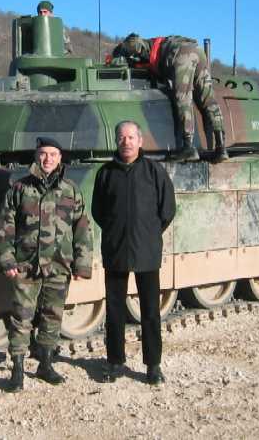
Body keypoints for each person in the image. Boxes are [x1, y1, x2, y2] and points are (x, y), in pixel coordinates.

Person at [0, 136, 93, 392]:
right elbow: (5, 226)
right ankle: (17, 370)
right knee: (21, 317)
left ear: (60, 158)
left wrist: (82, 264)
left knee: (52, 315)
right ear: (36, 156)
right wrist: (7, 259)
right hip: (26, 264)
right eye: (43, 154)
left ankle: (45, 364)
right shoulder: (20, 189)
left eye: (53, 154)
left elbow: (82, 228)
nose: (47, 159)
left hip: (59, 264)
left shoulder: (71, 190)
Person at [91, 120, 176, 386]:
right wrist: (116, 231)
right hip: (116, 250)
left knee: (150, 311)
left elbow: (167, 209)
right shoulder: (105, 173)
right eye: (121, 137)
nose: (126, 142)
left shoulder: (154, 171)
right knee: (115, 309)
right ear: (116, 141)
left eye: (130, 137)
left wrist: (148, 233)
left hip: (146, 251)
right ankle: (115, 362)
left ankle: (153, 365)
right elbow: (98, 211)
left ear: (140, 141)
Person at [113, 33, 228, 162]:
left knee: (183, 98)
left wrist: (121, 54)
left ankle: (188, 147)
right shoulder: (152, 49)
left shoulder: (139, 46)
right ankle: (221, 147)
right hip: (197, 50)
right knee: (208, 100)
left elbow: (135, 44)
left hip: (182, 54)